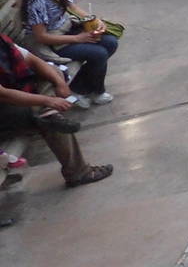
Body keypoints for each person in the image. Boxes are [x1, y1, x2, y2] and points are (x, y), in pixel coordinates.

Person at [0, 28, 113, 187]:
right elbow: (3, 94)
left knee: (53, 75)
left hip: (12, 96)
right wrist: (47, 101)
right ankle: (79, 173)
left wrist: (59, 84)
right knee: (48, 117)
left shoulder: (3, 41)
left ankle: (52, 111)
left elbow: (33, 60)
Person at [23, 0, 118, 107]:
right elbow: (41, 37)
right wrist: (78, 39)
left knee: (110, 42)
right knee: (98, 53)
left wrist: (96, 21)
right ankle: (91, 91)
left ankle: (82, 87)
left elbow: (73, 8)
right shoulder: (36, 1)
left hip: (66, 32)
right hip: (51, 45)